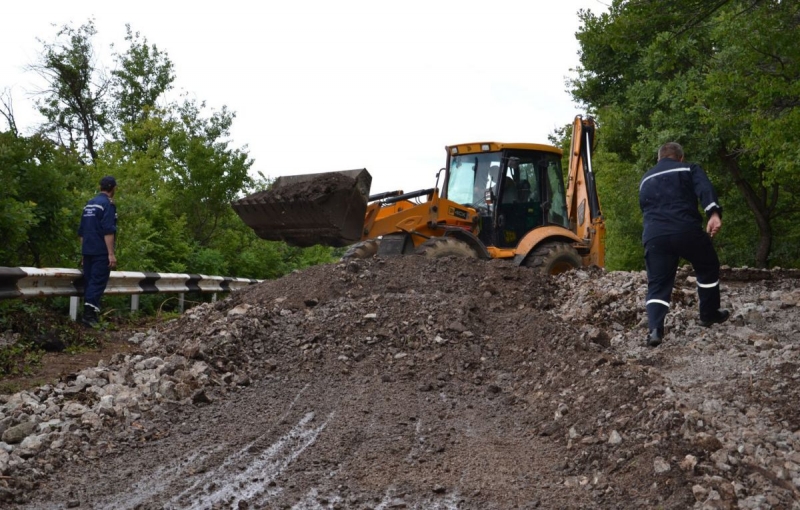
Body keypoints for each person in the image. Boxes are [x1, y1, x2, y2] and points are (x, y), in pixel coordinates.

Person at [639, 143, 729, 347]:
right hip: (686, 230)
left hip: (655, 236)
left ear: (658, 159)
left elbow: (645, 207)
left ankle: (655, 331)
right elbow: (704, 188)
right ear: (680, 157)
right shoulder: (689, 169)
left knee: (658, 283)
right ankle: (708, 314)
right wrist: (713, 214)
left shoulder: (645, 179)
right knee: (707, 266)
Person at [78, 176, 118, 327]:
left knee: (89, 282)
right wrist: (111, 253)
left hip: (88, 250)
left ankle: (89, 316)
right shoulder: (108, 205)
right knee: (97, 282)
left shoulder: (89, 204)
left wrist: (83, 253)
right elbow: (108, 230)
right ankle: (89, 316)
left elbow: (82, 231)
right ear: (113, 188)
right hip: (100, 251)